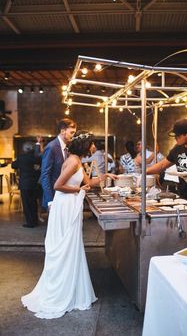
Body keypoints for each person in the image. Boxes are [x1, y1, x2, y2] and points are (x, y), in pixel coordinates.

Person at [21, 135, 117, 319]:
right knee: (66, 248)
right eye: (93, 144)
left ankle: (72, 290)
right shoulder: (73, 162)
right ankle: (63, 292)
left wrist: (105, 176)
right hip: (65, 206)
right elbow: (58, 185)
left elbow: (88, 183)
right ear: (86, 146)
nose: (94, 146)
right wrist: (78, 190)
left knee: (73, 248)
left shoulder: (78, 161)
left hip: (72, 205)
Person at [41, 118, 77, 209]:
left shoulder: (67, 147)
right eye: (71, 132)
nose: (73, 136)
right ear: (63, 131)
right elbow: (45, 175)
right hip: (53, 195)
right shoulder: (51, 147)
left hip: (63, 194)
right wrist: (50, 200)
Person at [11, 141, 42, 228]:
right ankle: (35, 221)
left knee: (27, 204)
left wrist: (16, 160)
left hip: (25, 184)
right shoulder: (36, 157)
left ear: (24, 149)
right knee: (34, 203)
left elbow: (13, 166)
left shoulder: (21, 157)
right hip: (35, 184)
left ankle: (30, 223)